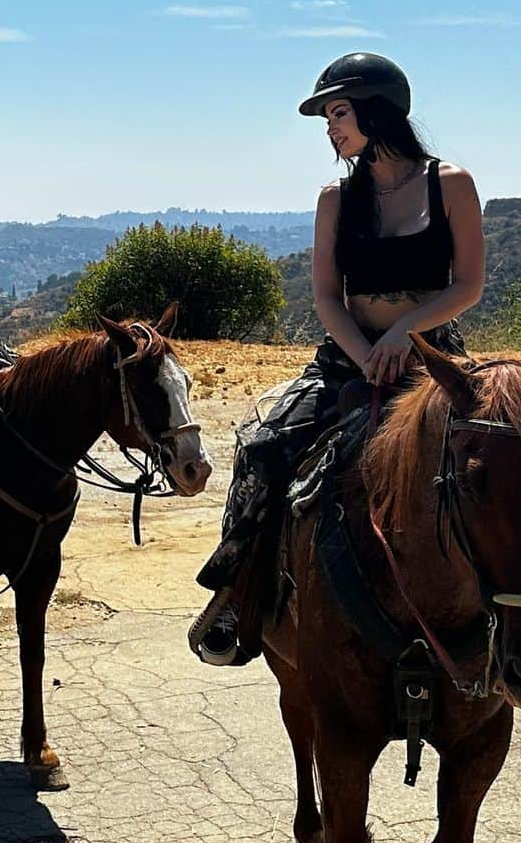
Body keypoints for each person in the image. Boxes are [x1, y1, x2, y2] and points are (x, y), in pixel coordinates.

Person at [188, 53, 485, 666]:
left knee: (497, 449)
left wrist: (406, 332)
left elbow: (468, 285)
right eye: (327, 117)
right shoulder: (335, 197)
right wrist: (368, 351)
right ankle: (237, 592)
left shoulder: (450, 182)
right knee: (266, 444)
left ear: (378, 109)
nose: (330, 128)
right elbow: (327, 296)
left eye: (339, 112)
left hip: (434, 359)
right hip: (350, 358)